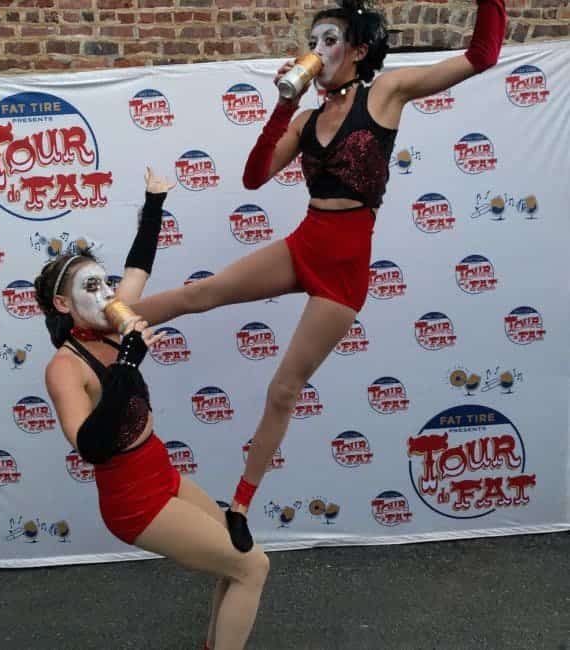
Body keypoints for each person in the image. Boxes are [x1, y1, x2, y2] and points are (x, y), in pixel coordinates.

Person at [128, 0, 507, 553]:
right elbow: (255, 177)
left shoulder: (386, 94)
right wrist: (285, 105)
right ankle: (103, 323)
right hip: (305, 242)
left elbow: (482, 55)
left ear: (358, 50)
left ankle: (240, 504)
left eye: (331, 40)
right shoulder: (306, 120)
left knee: (283, 388)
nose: (319, 50)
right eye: (315, 39)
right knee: (201, 294)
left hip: (345, 270)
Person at [34, 168, 269, 650]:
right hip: (132, 501)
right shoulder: (64, 367)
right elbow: (92, 447)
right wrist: (125, 361)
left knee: (238, 555)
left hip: (163, 472)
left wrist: (154, 201)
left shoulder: (110, 323)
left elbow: (139, 263)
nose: (108, 296)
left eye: (106, 284)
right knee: (253, 567)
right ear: (62, 303)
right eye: (91, 288)